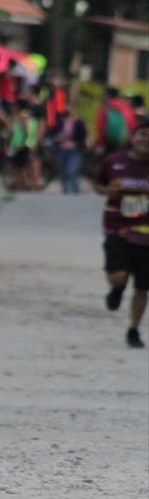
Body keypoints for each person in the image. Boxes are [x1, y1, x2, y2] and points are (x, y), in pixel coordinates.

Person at [93, 120, 149, 348]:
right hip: (117, 227)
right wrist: (106, 190)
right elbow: (98, 184)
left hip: (146, 233)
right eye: (142, 134)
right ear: (132, 138)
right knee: (118, 276)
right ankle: (117, 288)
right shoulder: (113, 162)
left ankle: (133, 330)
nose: (146, 139)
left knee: (143, 288)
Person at [54, 107, 87, 194]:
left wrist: (69, 136)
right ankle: (65, 190)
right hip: (62, 150)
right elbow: (55, 136)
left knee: (71, 170)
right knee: (63, 171)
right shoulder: (60, 123)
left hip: (75, 150)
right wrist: (59, 137)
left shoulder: (79, 123)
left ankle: (75, 190)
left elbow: (82, 136)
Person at [95, 86, 136, 155]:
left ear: (107, 96)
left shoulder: (105, 107)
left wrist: (101, 143)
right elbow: (132, 126)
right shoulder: (126, 108)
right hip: (123, 144)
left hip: (107, 143)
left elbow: (100, 126)